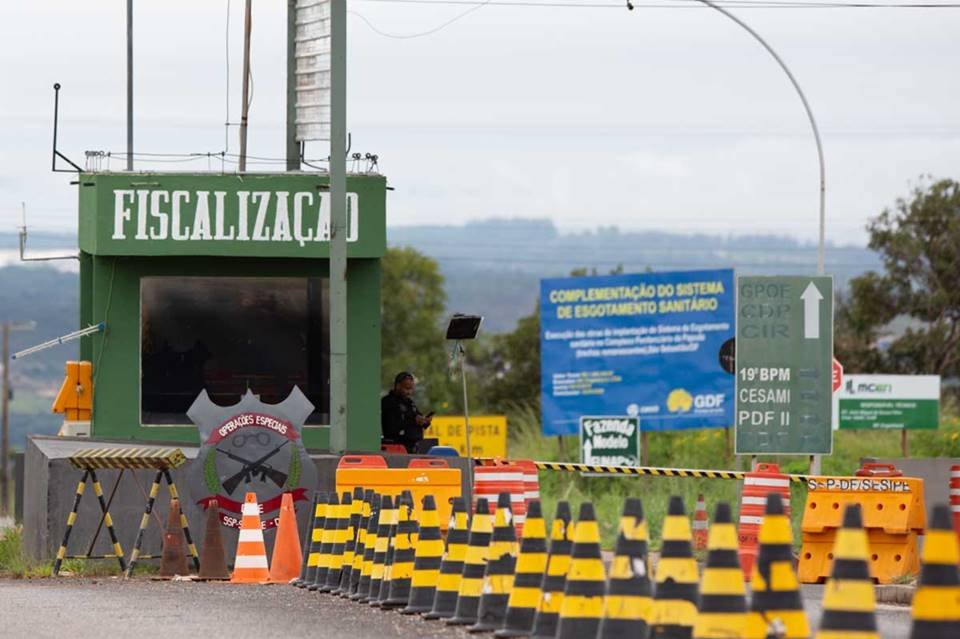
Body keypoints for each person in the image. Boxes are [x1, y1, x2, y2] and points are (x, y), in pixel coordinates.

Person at [381, 372, 434, 453]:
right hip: (396, 447)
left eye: (411, 389)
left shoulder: (409, 402)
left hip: (413, 446)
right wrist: (414, 421)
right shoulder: (388, 401)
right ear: (398, 386)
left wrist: (425, 421)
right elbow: (392, 426)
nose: (409, 392)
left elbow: (418, 417)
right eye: (406, 388)